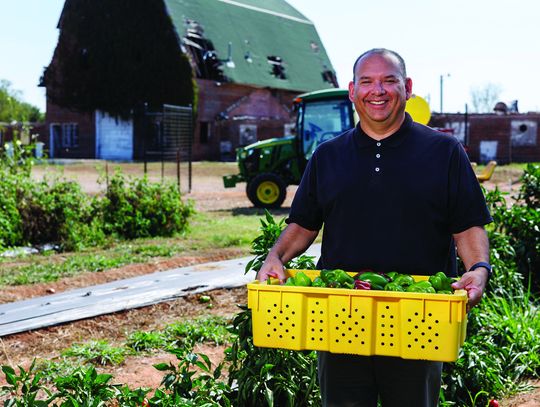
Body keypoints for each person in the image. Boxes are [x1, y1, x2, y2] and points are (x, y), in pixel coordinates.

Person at [257, 48, 492, 407]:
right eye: (366, 81)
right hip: (340, 317)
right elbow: (303, 224)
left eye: (389, 80)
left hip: (418, 320)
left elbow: (467, 225)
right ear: (352, 91)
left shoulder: (444, 151)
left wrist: (479, 268)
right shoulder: (328, 155)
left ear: (408, 87)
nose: (377, 91)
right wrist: (275, 256)